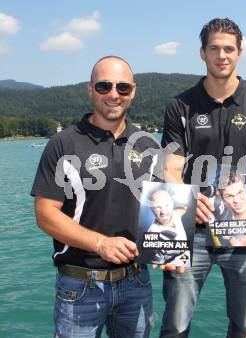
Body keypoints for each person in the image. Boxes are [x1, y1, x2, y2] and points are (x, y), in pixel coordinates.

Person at [160, 18, 246, 338]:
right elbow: (171, 168)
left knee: (244, 326)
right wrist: (187, 202)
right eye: (214, 49)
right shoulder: (179, 105)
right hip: (191, 230)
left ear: (240, 53)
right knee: (175, 325)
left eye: (229, 49)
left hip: (243, 230)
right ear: (202, 53)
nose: (222, 56)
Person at [31, 56, 162, 338]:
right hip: (80, 286)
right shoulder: (63, 143)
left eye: (123, 88)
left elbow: (163, 206)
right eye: (104, 86)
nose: (114, 94)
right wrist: (100, 243)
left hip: (137, 282)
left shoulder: (149, 145)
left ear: (133, 91)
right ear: (90, 89)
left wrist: (172, 246)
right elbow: (45, 214)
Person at [147, 189, 190, 265]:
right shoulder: (154, 233)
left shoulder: (174, 214)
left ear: (172, 204)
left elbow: (182, 209)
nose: (163, 212)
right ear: (151, 209)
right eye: (157, 208)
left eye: (167, 205)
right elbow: (156, 262)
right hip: (176, 266)